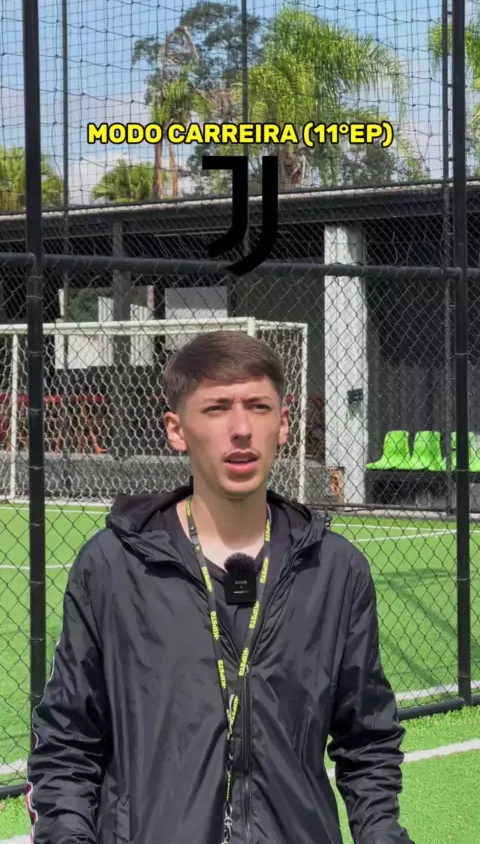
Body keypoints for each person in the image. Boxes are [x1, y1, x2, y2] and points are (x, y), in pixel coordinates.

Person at [26, 329, 414, 844]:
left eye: (258, 407)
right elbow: (67, 744)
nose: (241, 429)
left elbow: (367, 740)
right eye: (216, 409)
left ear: (283, 423)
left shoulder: (336, 570)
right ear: (176, 429)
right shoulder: (113, 566)